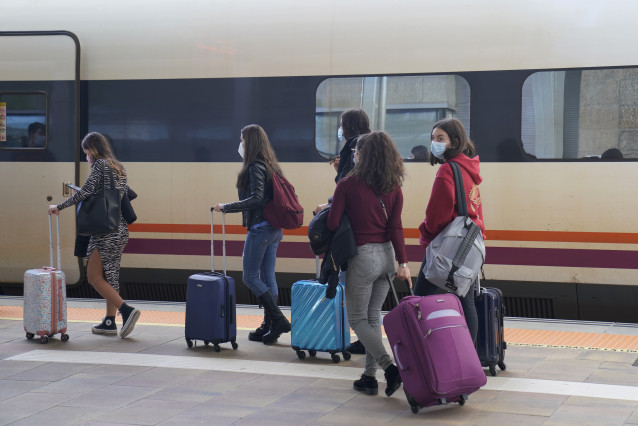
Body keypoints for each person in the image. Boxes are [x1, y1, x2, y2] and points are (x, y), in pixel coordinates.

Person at [324, 131, 412, 397]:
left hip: (363, 258)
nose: (353, 154)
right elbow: (395, 226)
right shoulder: (394, 186)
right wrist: (403, 261)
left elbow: (332, 223)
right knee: (373, 316)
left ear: (361, 154)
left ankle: (390, 368)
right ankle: (368, 378)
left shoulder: (348, 184)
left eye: (355, 151)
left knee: (357, 319)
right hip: (386, 258)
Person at [48, 132, 140, 338]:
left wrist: (59, 206)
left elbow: (85, 193)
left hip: (104, 232)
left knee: (94, 277)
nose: (86, 158)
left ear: (93, 149)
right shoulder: (119, 167)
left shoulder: (100, 166)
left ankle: (127, 310)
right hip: (120, 229)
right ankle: (109, 322)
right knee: (111, 276)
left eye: (86, 153)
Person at [213, 124, 290, 345]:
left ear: (250, 141)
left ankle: (278, 319)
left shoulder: (255, 166)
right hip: (273, 230)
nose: (241, 143)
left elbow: (256, 199)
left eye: (242, 139)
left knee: (249, 276)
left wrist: (226, 207)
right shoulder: (270, 165)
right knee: (268, 278)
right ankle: (270, 325)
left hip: (261, 229)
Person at [414, 118, 485, 344]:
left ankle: (424, 355)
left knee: (420, 301)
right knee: (465, 301)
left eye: (440, 139)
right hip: (470, 245)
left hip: (447, 248)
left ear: (454, 142)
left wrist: (425, 234)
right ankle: (468, 360)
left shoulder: (447, 170)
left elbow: (437, 216)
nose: (435, 143)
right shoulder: (469, 170)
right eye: (433, 138)